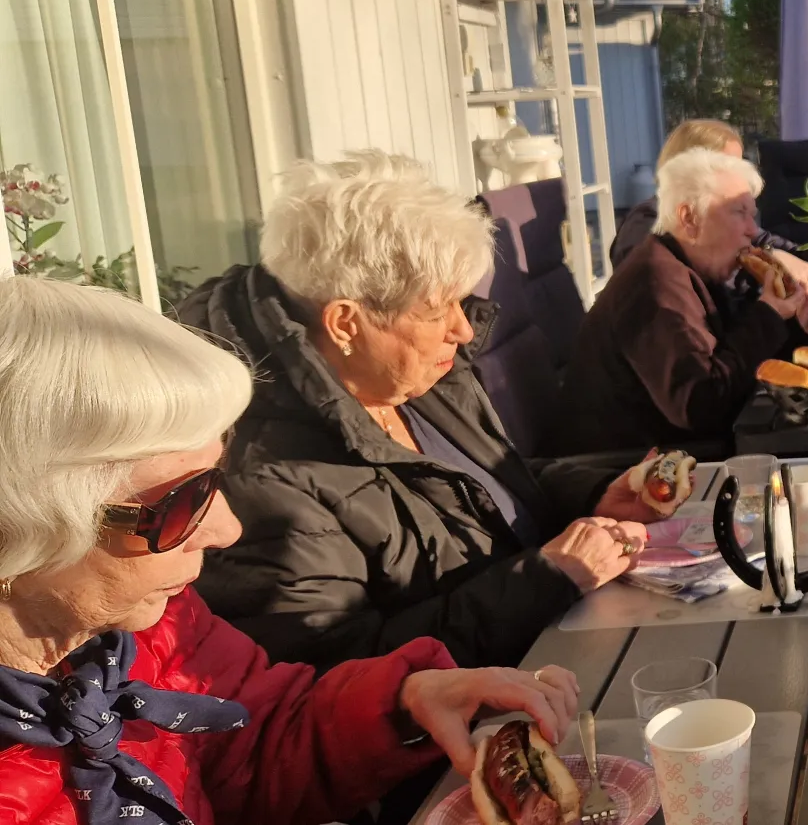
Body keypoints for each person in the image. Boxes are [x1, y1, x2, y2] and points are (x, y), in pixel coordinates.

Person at [0, 276, 584, 825]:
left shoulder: (152, 624)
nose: (226, 529)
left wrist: (406, 706)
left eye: (215, 480)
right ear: (21, 528)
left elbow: (248, 744)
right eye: (183, 501)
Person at [177, 153, 669, 672]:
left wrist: (593, 493)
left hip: (555, 649)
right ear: (346, 324)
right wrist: (546, 579)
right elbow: (338, 674)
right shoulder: (266, 478)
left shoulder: (407, 373)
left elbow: (476, 493)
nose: (461, 329)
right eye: (437, 310)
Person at [550, 149, 808, 457]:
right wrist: (768, 316)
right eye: (739, 212)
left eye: (753, 215)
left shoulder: (691, 269)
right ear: (689, 219)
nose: (753, 231)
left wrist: (796, 326)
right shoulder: (654, 285)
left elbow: (735, 363)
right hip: (628, 474)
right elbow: (701, 405)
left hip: (674, 453)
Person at [608, 118, 808, 292]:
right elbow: (668, 289)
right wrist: (769, 260)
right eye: (729, 165)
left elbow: (770, 243)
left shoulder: (721, 215)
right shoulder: (647, 222)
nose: (740, 175)